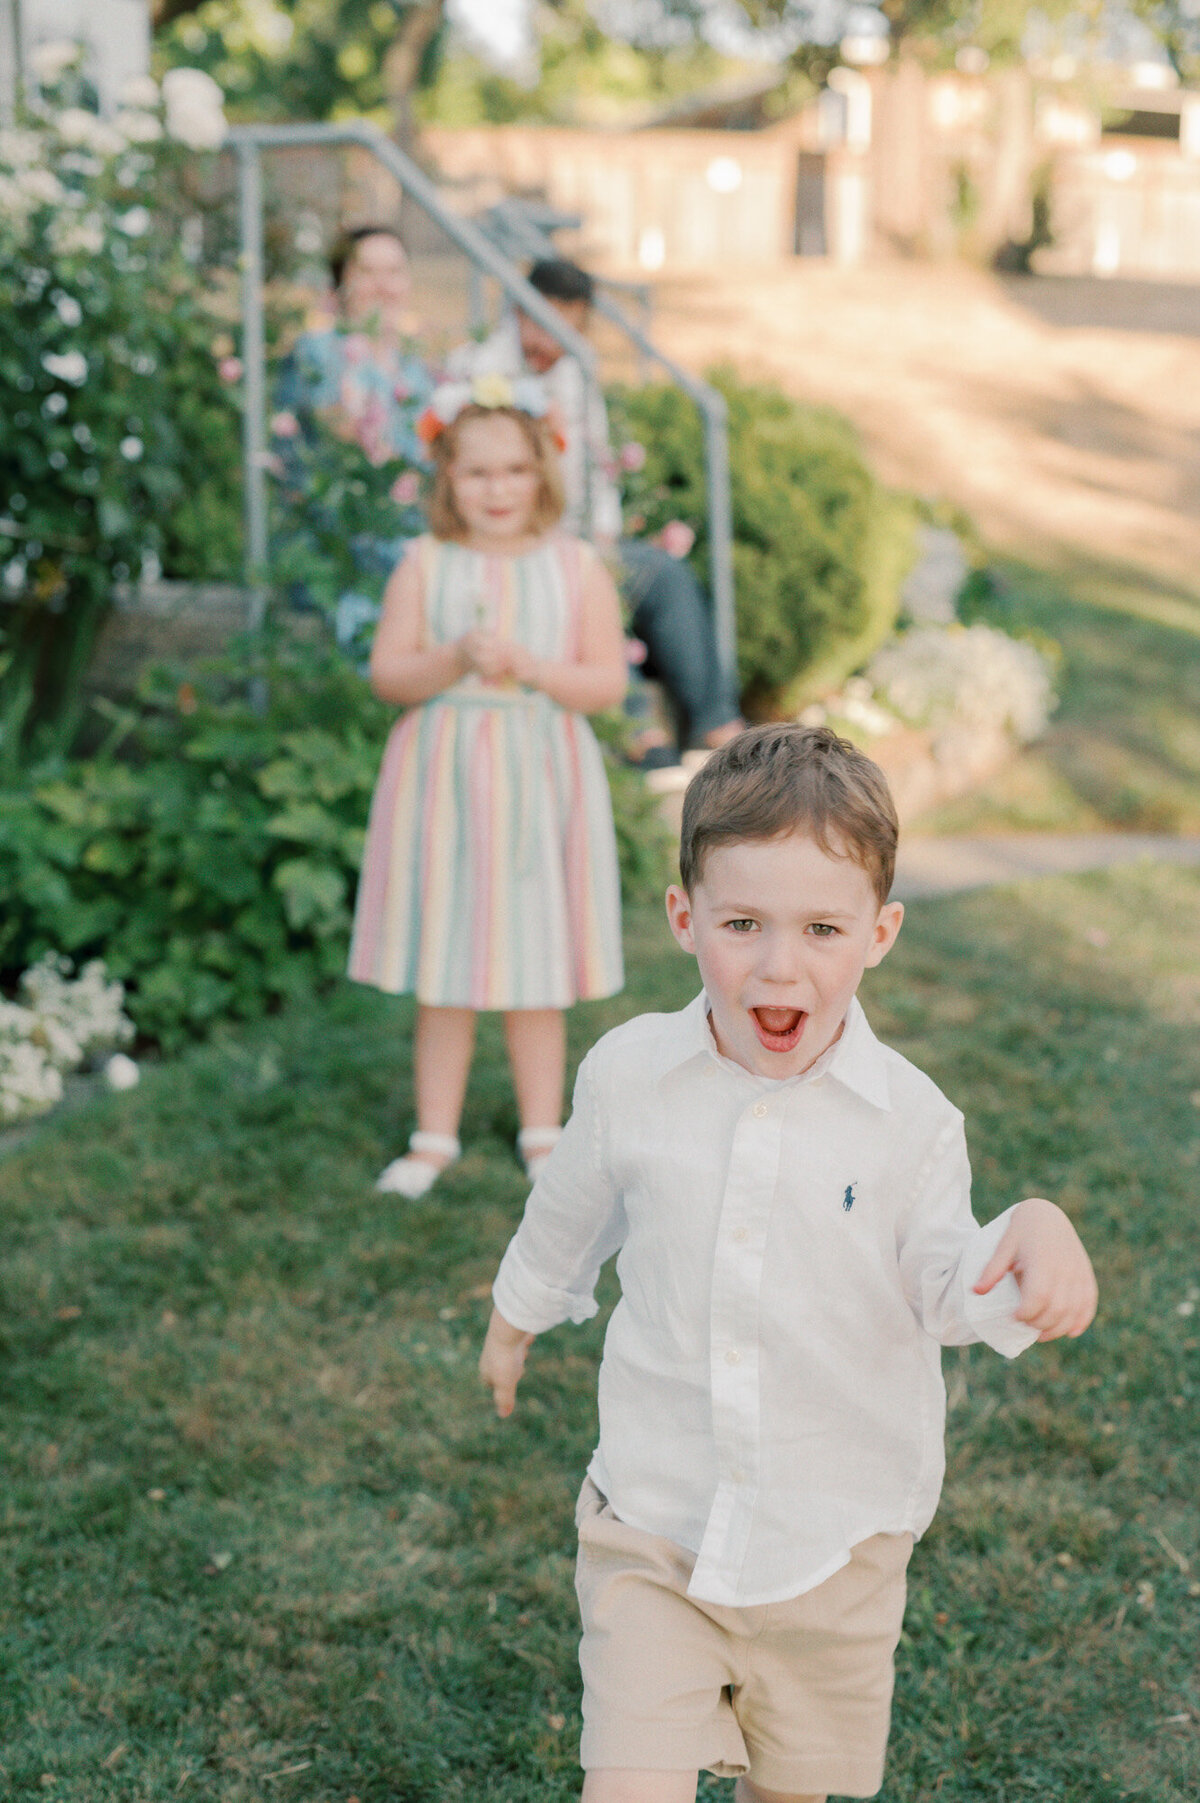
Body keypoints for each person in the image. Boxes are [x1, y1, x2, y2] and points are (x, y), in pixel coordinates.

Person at [479, 723, 1098, 1803]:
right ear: (684, 919)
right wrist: (516, 1313)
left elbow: (950, 1279)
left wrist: (1032, 1225)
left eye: (821, 928)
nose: (779, 964)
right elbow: (568, 1209)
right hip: (654, 1522)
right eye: (742, 924)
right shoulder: (631, 1075)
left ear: (880, 932)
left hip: (834, 1546)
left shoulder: (910, 1123)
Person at [348, 375, 627, 1198]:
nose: (497, 488)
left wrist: (533, 666)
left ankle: (543, 1133)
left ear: (543, 472)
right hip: (446, 791)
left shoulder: (575, 567)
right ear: (447, 480)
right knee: (448, 957)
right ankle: (432, 1135)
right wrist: (452, 659)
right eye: (476, 473)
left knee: (535, 956)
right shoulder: (425, 564)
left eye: (513, 470)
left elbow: (605, 682)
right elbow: (389, 676)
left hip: (542, 787)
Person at [447, 258, 743, 770]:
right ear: (519, 312)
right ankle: (638, 734)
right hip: (522, 545)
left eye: (570, 327)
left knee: (664, 577)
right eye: (543, 322)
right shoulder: (477, 372)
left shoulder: (576, 373)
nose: (551, 342)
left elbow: (600, 467)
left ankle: (720, 726)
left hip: (586, 538)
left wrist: (604, 538)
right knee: (587, 586)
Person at [273, 225, 435, 651]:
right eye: (367, 272)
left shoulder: (415, 369)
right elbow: (347, 441)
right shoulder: (318, 352)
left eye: (394, 272)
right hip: (338, 549)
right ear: (340, 282)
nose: (383, 286)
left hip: (402, 542)